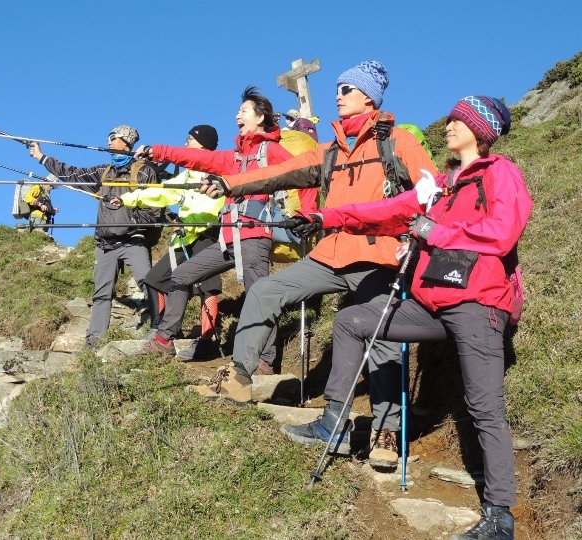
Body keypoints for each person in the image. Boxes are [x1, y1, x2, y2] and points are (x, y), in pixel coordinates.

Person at [288, 96, 531, 540]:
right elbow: (387, 211)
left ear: (481, 129)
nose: (450, 125)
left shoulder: (500, 172)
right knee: (352, 321)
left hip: (479, 303)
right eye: (453, 117)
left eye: (460, 120)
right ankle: (334, 424)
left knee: (484, 407)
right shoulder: (438, 185)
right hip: (430, 302)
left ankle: (499, 516)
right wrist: (327, 217)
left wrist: (433, 232)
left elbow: (503, 232)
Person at [195, 61, 438, 466]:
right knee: (264, 291)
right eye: (338, 88)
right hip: (329, 255)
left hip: (379, 257)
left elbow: (431, 192)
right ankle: (239, 378)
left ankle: (386, 433)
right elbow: (279, 173)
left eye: (347, 89)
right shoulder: (330, 151)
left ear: (369, 97)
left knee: (380, 335)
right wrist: (228, 183)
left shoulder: (398, 143)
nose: (338, 94)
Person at [133, 86, 313, 359]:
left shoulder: (271, 152)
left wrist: (308, 215)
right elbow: (199, 157)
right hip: (228, 238)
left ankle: (265, 361)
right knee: (180, 276)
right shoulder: (233, 157)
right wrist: (159, 152)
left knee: (258, 296)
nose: (237, 115)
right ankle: (164, 340)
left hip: (255, 235)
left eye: (243, 111)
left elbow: (306, 176)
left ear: (259, 118)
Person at [28, 125, 162, 348]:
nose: (108, 142)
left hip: (134, 239)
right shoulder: (103, 171)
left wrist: (132, 221)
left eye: (113, 138)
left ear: (126, 142)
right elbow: (72, 174)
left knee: (147, 282)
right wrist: (41, 157)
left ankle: (162, 328)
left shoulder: (145, 171)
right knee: (101, 293)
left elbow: (154, 208)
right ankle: (94, 343)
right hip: (105, 243)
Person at [119, 125, 225, 359]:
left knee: (207, 287)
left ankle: (206, 338)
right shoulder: (187, 173)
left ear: (202, 143)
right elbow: (163, 191)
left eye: (190, 139)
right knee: (157, 278)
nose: (186, 142)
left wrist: (191, 223)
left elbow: (214, 207)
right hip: (185, 237)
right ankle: (163, 330)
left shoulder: (217, 167)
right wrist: (129, 198)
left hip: (207, 235)